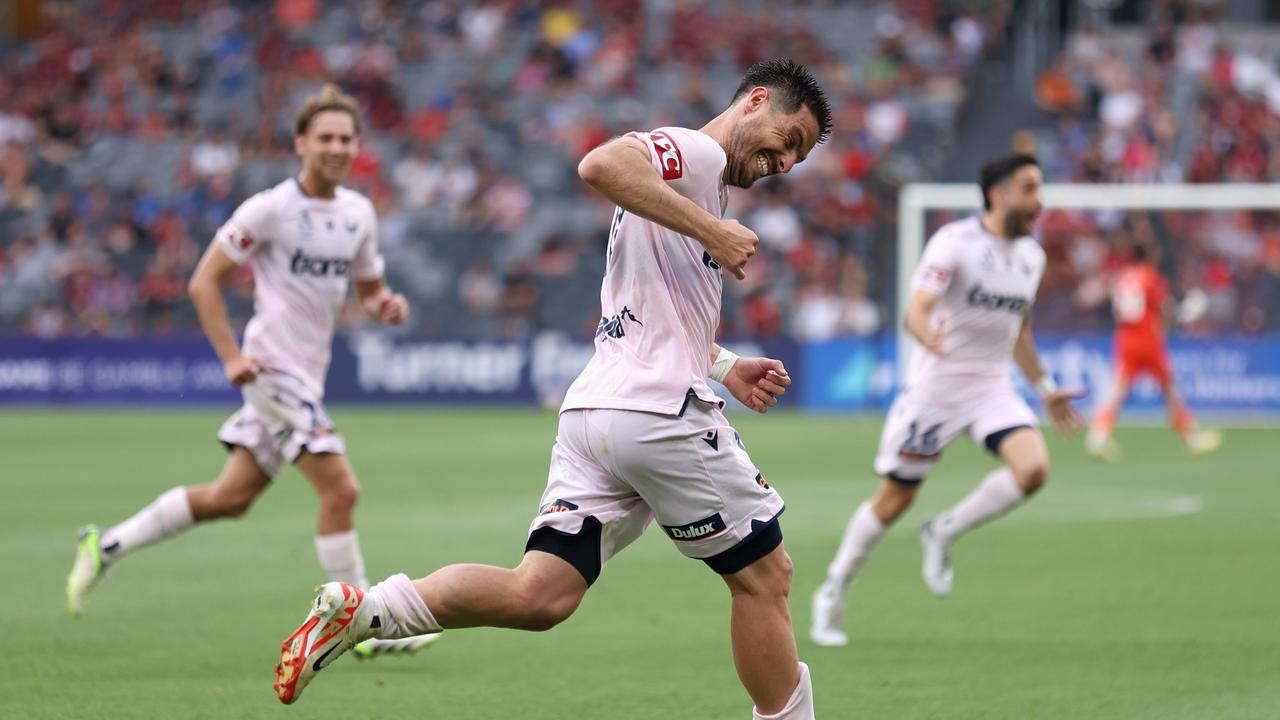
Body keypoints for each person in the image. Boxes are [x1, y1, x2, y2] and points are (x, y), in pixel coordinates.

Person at [269, 58, 832, 720]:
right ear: (755, 101)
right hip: (657, 415)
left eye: (798, 154)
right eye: (789, 138)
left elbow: (656, 310)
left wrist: (726, 363)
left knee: (539, 595)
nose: (786, 161)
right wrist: (713, 231)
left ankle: (371, 610)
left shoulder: (688, 184)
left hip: (597, 415)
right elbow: (598, 165)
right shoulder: (697, 151)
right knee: (766, 578)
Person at [65, 84, 436, 658]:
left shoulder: (358, 213)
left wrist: (385, 305)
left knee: (230, 498)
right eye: (325, 138)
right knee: (341, 489)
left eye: (346, 138)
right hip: (272, 372)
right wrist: (232, 358)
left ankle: (104, 545)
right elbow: (202, 280)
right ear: (301, 143)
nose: (337, 147)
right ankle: (361, 622)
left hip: (307, 376)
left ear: (356, 145)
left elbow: (368, 291)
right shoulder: (270, 208)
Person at [810, 154, 1084, 647]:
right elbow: (917, 310)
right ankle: (834, 587)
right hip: (936, 388)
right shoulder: (954, 244)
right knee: (895, 500)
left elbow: (1018, 329)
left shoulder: (1031, 257)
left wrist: (1045, 389)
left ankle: (943, 531)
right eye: (1029, 189)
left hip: (991, 386)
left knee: (1034, 469)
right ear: (998, 195)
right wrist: (923, 335)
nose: (1039, 201)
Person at [1085, 242, 1222, 460]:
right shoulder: (1151, 278)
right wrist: (1189, 310)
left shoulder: (1123, 276)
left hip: (1125, 338)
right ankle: (1192, 438)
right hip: (1148, 340)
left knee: (1117, 392)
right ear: (1149, 256)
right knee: (1170, 390)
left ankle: (1098, 437)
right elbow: (1167, 311)